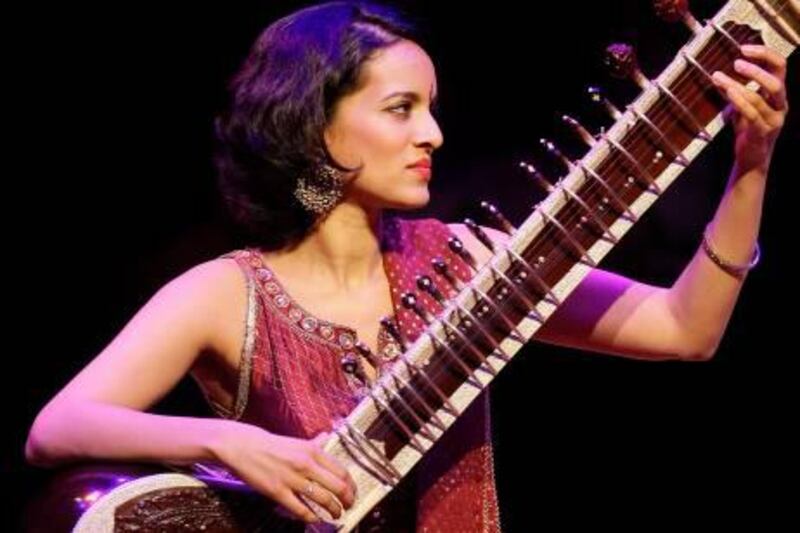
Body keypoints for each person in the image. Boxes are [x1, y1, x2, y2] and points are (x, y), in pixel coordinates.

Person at [25, 1, 789, 531]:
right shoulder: (227, 292)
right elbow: (58, 428)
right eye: (401, 108)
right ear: (317, 125)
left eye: (431, 106)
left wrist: (750, 165)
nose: (434, 133)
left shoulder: (471, 263)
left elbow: (685, 329)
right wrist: (226, 442)